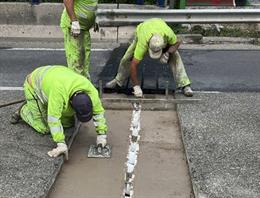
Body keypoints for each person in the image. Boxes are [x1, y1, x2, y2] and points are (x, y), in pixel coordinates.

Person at [11, 65, 108, 160]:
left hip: (55, 76)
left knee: (68, 124)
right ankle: (24, 110)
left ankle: (40, 104)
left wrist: (101, 135)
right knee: (44, 128)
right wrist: (60, 143)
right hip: (34, 84)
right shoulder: (58, 94)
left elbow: (98, 113)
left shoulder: (91, 91)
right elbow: (53, 119)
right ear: (71, 103)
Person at [106, 18, 193, 97]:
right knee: (127, 57)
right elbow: (133, 65)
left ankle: (185, 85)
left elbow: (178, 42)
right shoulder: (142, 43)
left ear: (163, 44)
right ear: (148, 46)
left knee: (176, 56)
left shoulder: (168, 34)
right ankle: (118, 80)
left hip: (159, 26)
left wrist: (168, 53)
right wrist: (136, 86)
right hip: (143, 29)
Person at [60, 0, 98, 79]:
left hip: (84, 29)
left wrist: (93, 19)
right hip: (74, 28)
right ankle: (77, 88)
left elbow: (90, 3)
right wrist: (74, 21)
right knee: (76, 60)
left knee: (84, 60)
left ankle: (84, 84)